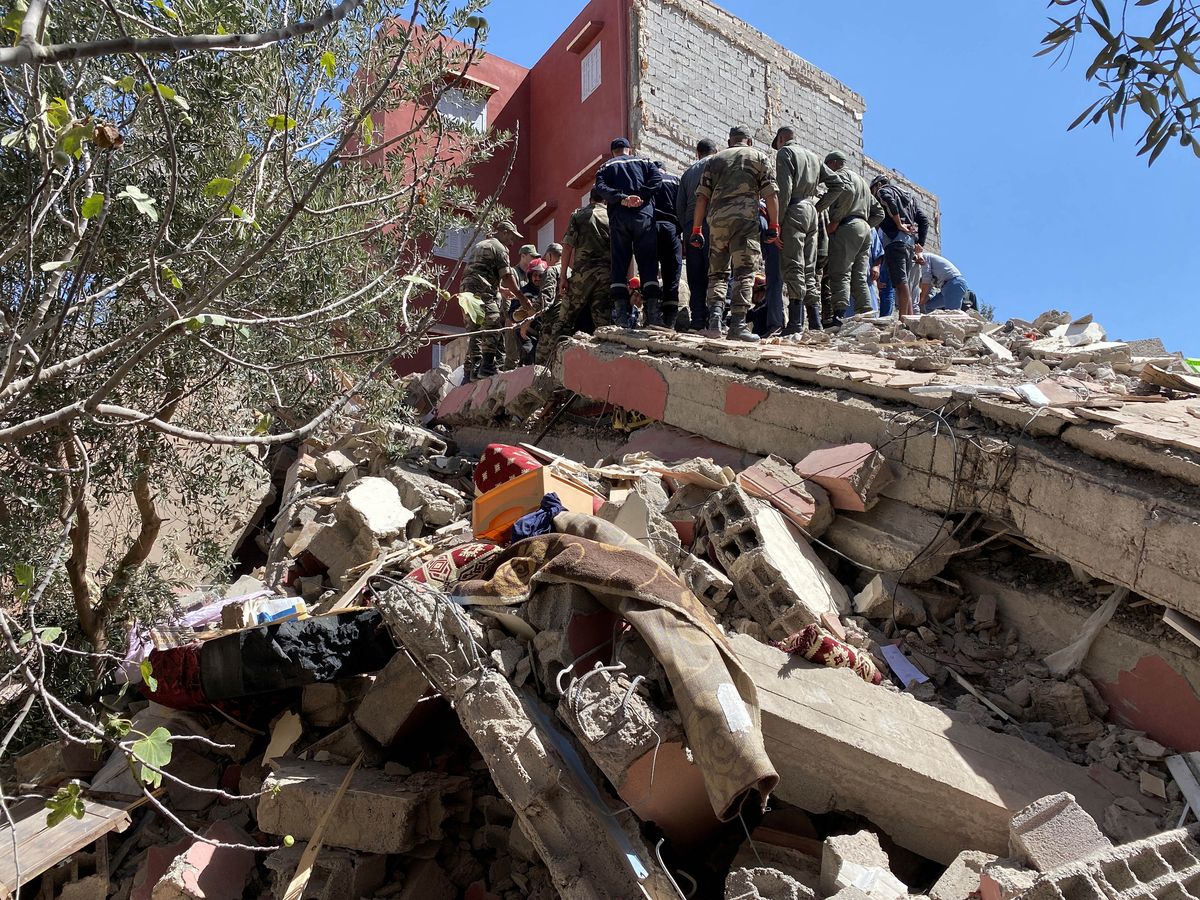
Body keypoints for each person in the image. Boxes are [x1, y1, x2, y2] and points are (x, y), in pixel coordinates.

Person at [690, 125, 780, 343]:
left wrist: (696, 229)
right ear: (749, 141)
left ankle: (714, 324)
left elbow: (701, 197)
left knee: (718, 274)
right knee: (744, 272)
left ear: (730, 142)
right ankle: (738, 325)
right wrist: (774, 225)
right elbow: (770, 194)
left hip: (717, 222)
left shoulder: (715, 160)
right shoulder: (759, 156)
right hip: (744, 222)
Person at [594, 137, 662, 327]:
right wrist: (640, 196)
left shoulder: (605, 167)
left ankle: (622, 316)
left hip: (619, 218)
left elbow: (600, 188)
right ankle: (653, 315)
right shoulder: (645, 161)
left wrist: (622, 199)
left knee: (620, 262)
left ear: (613, 151)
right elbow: (657, 180)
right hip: (644, 216)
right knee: (648, 262)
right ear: (629, 150)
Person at [538, 190, 610, 365]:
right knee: (603, 324)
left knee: (564, 320)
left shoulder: (579, 215)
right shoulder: (612, 217)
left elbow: (568, 247)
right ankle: (605, 364)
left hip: (582, 275)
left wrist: (563, 276)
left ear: (590, 198)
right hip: (607, 275)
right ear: (605, 200)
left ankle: (547, 363)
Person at [817, 151, 883, 325]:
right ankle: (867, 313)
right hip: (864, 230)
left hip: (847, 227)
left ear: (833, 164)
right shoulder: (861, 181)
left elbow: (844, 192)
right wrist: (867, 226)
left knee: (840, 272)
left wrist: (836, 220)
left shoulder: (841, 175)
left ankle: (839, 315)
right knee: (859, 276)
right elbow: (880, 212)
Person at [773, 125, 824, 334]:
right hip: (812, 212)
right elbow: (838, 184)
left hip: (794, 209)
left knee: (793, 265)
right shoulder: (813, 157)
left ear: (782, 139)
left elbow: (783, 190)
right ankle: (815, 322)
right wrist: (817, 207)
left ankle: (795, 323)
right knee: (809, 269)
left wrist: (776, 223)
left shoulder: (785, 153)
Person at [462, 219, 526, 381]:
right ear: (504, 232)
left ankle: (475, 369)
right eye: (511, 238)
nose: (512, 243)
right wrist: (522, 298)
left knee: (475, 328)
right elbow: (507, 276)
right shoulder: (499, 248)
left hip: (466, 292)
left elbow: (480, 271)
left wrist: (500, 290)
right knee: (493, 324)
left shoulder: (481, 245)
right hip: (481, 291)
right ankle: (487, 367)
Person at [870, 174, 929, 318]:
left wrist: (898, 223)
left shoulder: (883, 191)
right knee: (904, 284)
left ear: (878, 185)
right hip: (909, 244)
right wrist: (919, 244)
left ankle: (903, 320)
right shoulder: (909, 197)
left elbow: (889, 201)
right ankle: (909, 320)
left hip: (895, 242)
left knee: (900, 283)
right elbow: (924, 220)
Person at [676, 138, 718, 331]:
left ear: (697, 153)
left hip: (692, 229)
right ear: (715, 151)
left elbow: (680, 207)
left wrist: (687, 230)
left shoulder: (687, 173)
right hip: (715, 225)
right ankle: (716, 319)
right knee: (717, 273)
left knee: (696, 275)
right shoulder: (719, 164)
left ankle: (698, 320)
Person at [652, 161, 683, 329]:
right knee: (671, 274)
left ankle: (652, 317)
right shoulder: (675, 180)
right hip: (671, 228)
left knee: (649, 273)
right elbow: (682, 206)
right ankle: (669, 322)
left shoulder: (647, 180)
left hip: (650, 229)